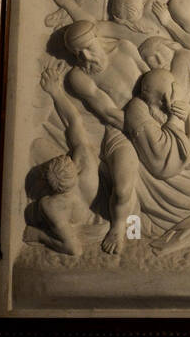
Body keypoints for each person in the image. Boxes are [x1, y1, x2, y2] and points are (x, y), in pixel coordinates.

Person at [61, 19, 148, 254]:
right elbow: (109, 113)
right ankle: (118, 227)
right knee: (121, 189)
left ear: (99, 38)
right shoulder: (78, 77)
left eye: (89, 48)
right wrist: (145, 133)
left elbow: (150, 78)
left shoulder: (125, 49)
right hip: (121, 131)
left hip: (152, 117)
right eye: (78, 54)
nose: (86, 57)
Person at [25, 60, 103, 256]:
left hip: (72, 215)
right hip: (84, 208)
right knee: (39, 146)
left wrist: (40, 236)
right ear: (75, 168)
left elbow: (74, 249)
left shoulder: (51, 205)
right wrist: (55, 91)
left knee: (37, 147)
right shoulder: (85, 165)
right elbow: (74, 121)